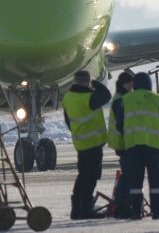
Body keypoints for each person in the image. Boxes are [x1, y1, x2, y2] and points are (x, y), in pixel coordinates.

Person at [116, 72, 159, 220]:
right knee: (155, 182)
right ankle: (157, 212)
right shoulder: (157, 99)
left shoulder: (125, 100)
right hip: (153, 146)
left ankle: (136, 212)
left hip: (133, 146)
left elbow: (119, 124)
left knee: (135, 182)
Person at [63, 70, 111, 220]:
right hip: (93, 142)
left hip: (80, 142)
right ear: (87, 81)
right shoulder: (89, 98)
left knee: (82, 175)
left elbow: (68, 120)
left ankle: (76, 209)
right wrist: (96, 83)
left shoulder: (68, 98)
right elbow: (106, 95)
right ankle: (85, 208)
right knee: (90, 177)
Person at [107, 71, 134, 219]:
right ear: (123, 84)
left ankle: (121, 203)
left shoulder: (122, 97)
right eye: (129, 83)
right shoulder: (120, 99)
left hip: (123, 142)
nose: (131, 85)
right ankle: (122, 206)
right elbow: (122, 123)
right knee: (127, 176)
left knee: (126, 174)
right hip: (123, 143)